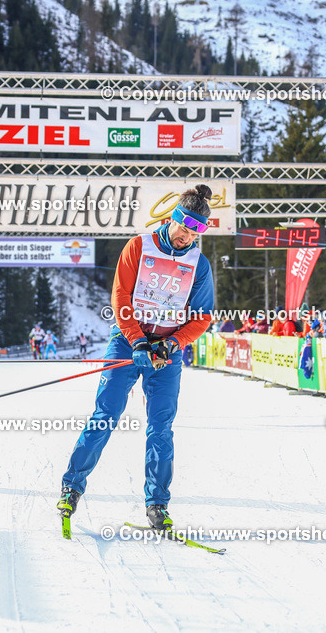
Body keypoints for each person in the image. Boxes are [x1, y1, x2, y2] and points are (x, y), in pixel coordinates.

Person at [57, 184, 215, 532]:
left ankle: (157, 503)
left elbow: (202, 316)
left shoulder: (198, 264)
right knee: (106, 414)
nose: (188, 235)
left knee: (161, 428)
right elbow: (121, 297)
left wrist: (171, 344)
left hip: (166, 352)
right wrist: (138, 342)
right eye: (185, 225)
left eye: (198, 230)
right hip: (129, 342)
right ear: (173, 217)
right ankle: (72, 486)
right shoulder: (139, 246)